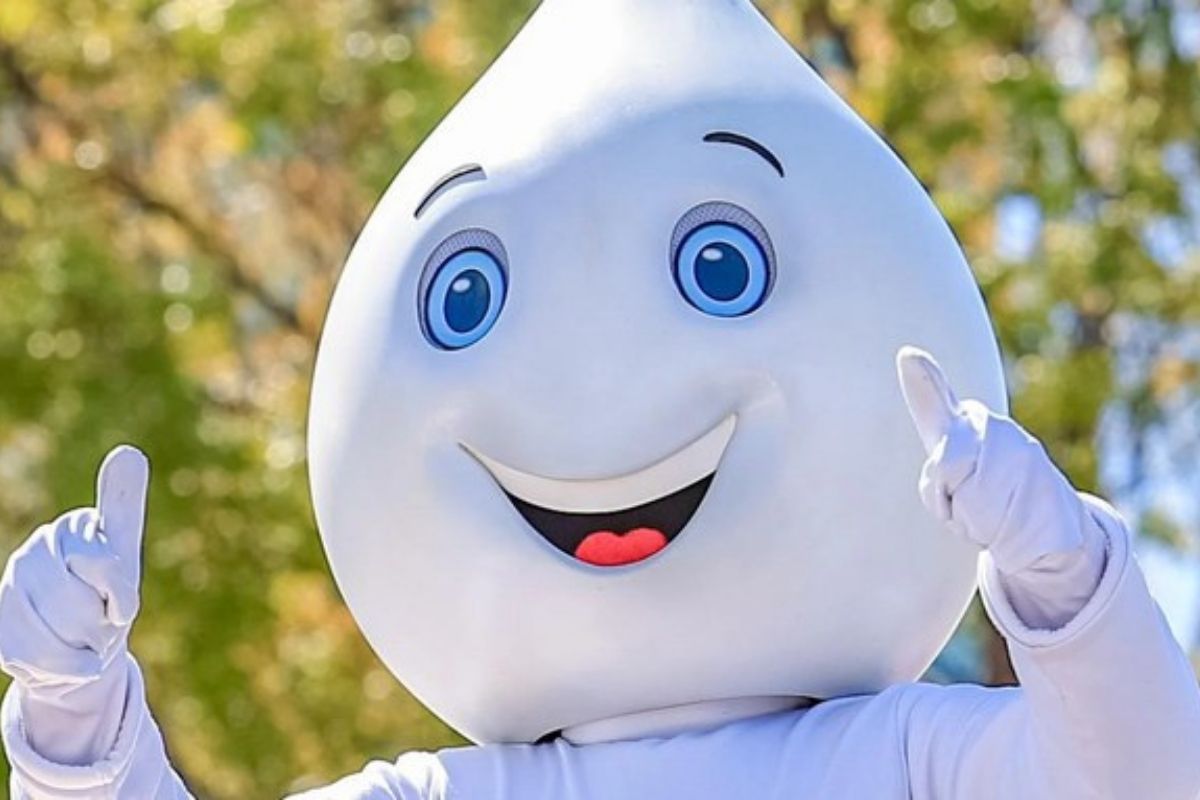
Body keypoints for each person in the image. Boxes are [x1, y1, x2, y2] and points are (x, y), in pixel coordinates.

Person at [3, 0, 1199, 797]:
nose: (594, 402)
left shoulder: (900, 753)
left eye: (718, 266)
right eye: (463, 296)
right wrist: (71, 718)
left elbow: (1138, 773)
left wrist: (1065, 576)